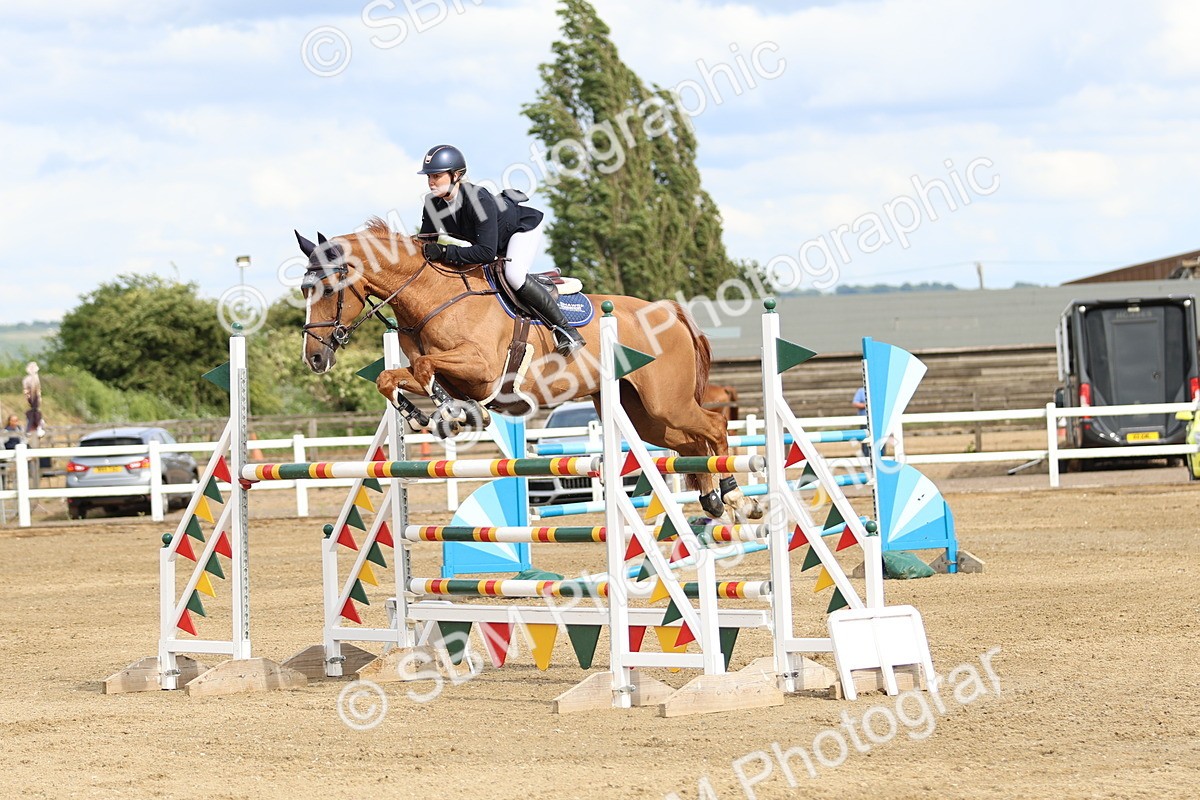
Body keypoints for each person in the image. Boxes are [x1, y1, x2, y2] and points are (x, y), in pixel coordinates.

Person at [415, 144, 585, 357]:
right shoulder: (433, 204)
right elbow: (426, 244)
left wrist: (445, 252)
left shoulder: (478, 199)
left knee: (513, 275)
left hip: (520, 230)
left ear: (456, 175)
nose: (431, 182)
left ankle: (566, 331)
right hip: (493, 241)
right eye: (429, 177)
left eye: (437, 176)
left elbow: (486, 252)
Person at [852, 386, 888, 458]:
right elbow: (855, 403)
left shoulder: (880, 390)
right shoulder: (861, 391)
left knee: (880, 439)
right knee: (866, 439)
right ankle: (867, 457)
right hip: (865, 420)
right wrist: (867, 405)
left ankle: (881, 457)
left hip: (878, 419)